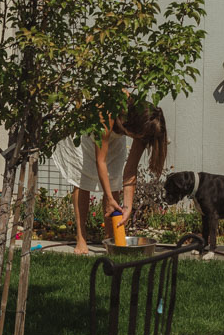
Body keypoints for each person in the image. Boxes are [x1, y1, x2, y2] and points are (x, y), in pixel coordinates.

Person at [60, 104, 169, 255]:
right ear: (131, 127)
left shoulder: (144, 125)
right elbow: (101, 161)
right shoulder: (107, 114)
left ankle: (110, 238)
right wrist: (109, 199)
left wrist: (127, 206)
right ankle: (81, 236)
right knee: (82, 180)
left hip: (114, 135)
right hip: (85, 132)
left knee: (114, 182)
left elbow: (130, 170)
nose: (140, 141)